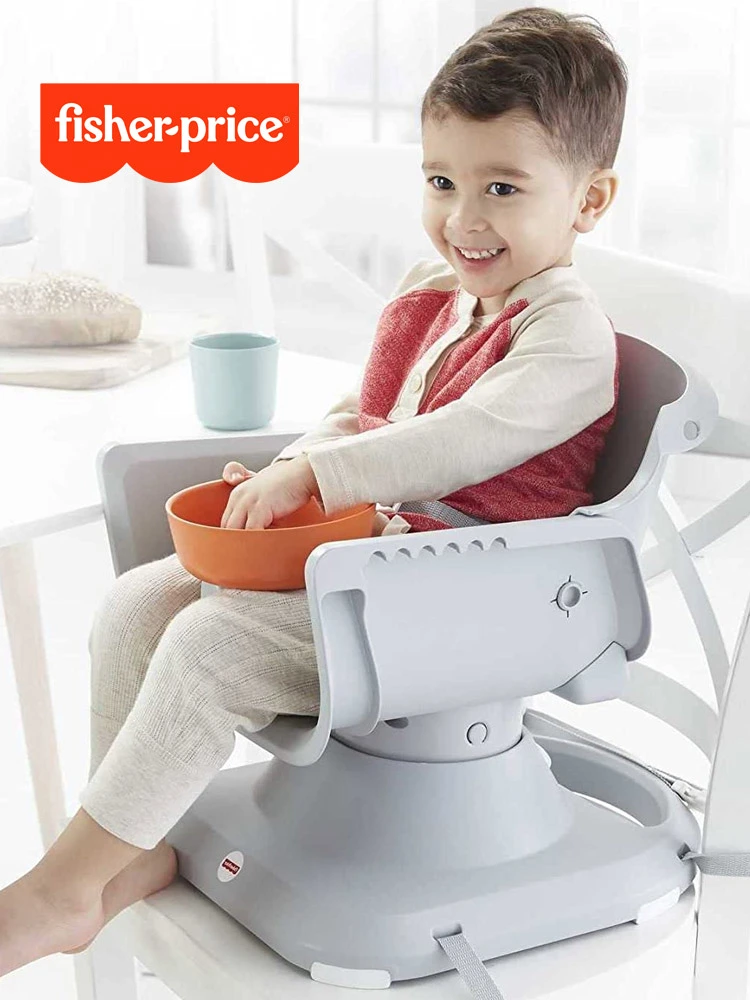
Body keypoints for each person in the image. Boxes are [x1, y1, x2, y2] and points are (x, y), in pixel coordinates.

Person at [0, 6, 628, 975]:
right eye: (442, 180)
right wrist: (294, 466)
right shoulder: (439, 293)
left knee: (211, 647)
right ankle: (125, 852)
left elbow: (453, 445)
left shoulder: (570, 338)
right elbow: (362, 413)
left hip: (472, 598)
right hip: (378, 565)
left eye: (502, 187)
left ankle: (60, 890)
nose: (463, 218)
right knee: (139, 603)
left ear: (589, 203)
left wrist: (323, 475)